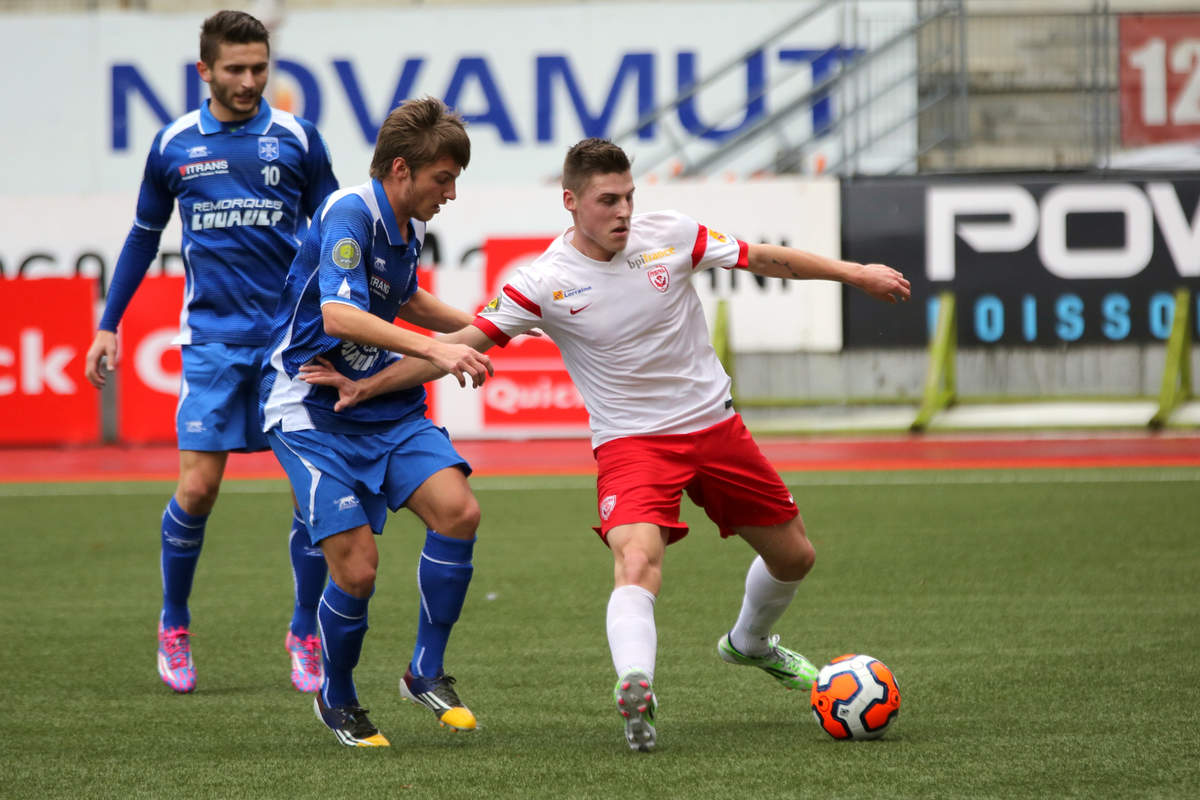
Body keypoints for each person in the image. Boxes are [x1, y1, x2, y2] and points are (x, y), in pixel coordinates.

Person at [301, 137, 911, 752]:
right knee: (637, 562)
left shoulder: (670, 235)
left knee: (795, 558)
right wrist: (366, 386)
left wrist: (852, 273)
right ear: (571, 202)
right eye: (606, 200)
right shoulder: (543, 282)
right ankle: (636, 688)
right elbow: (463, 344)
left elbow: (761, 259)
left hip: (716, 428)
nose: (622, 212)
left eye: (627, 197)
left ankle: (749, 643)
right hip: (632, 445)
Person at [83, 10, 339, 696]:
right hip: (212, 345)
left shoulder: (297, 139)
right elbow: (142, 235)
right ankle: (173, 621)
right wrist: (111, 323)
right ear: (205, 71)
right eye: (236, 69)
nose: (250, 81)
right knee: (197, 488)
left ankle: (304, 631)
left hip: (291, 344)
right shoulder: (173, 146)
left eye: (259, 68)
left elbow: (339, 228)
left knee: (314, 496)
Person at [259, 97, 494, 748]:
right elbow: (338, 317)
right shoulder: (349, 212)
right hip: (310, 408)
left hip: (377, 400)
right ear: (401, 170)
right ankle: (337, 696)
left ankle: (425, 671)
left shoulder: (406, 225)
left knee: (458, 511)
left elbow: (406, 295)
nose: (450, 192)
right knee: (357, 569)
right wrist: (438, 349)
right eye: (443, 178)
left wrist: (483, 323)